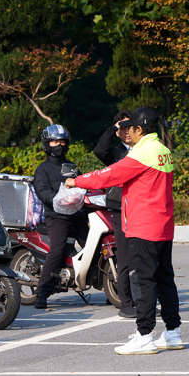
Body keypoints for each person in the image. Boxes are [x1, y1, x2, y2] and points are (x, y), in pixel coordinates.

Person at [66, 107, 182, 355]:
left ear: (140, 129)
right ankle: (172, 332)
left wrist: (77, 181)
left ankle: (144, 335)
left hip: (143, 226)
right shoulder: (163, 151)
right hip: (163, 226)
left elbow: (107, 176)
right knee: (164, 280)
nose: (127, 131)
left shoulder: (142, 154)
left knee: (144, 280)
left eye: (130, 128)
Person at [33, 124, 89, 309]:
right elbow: (42, 191)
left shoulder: (71, 167)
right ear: (47, 144)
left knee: (93, 246)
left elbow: (82, 187)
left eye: (62, 141)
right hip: (56, 217)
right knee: (57, 249)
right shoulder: (43, 169)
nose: (59, 145)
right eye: (55, 141)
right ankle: (42, 292)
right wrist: (57, 199)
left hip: (77, 215)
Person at [93, 110, 138, 318]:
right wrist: (114, 127)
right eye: (122, 128)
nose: (126, 131)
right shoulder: (115, 153)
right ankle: (126, 302)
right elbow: (99, 150)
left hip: (141, 208)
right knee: (125, 256)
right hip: (120, 208)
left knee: (145, 256)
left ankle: (146, 300)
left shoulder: (143, 149)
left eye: (130, 126)